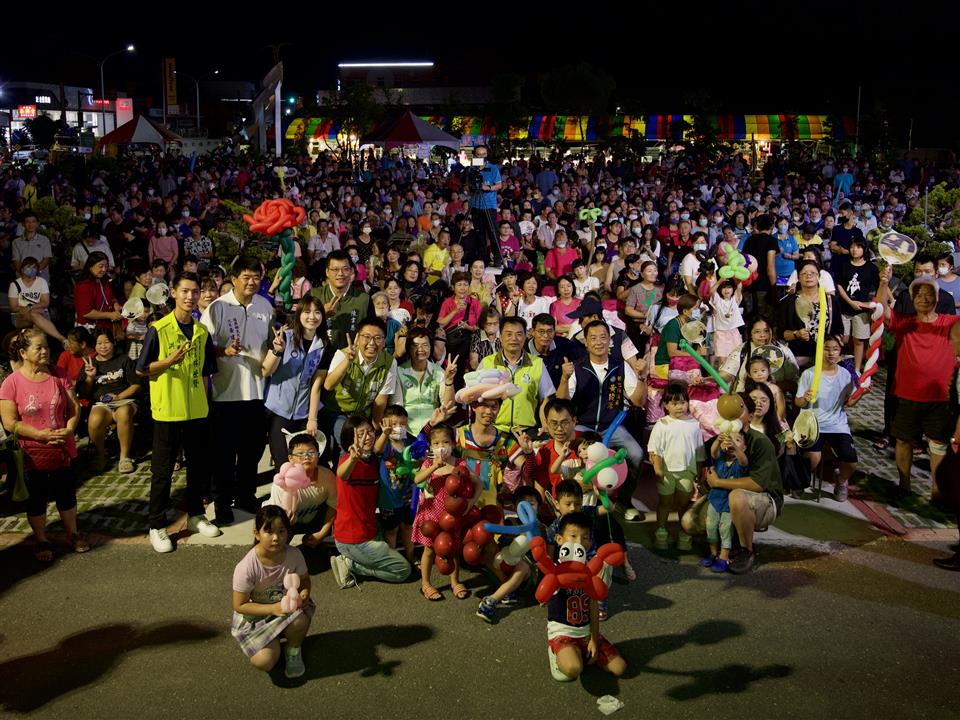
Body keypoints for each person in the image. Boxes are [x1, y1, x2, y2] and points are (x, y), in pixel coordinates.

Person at [137, 272, 221, 552]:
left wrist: (206, 406)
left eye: (195, 292)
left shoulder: (201, 332)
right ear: (173, 293)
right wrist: (168, 361)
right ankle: (157, 526)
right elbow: (141, 369)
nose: (190, 297)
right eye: (185, 291)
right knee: (162, 473)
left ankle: (196, 516)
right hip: (168, 411)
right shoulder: (159, 329)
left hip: (197, 411)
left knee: (198, 467)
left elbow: (207, 373)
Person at [0, 328, 87, 561]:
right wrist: (40, 435)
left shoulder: (59, 374)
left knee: (66, 493)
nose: (45, 351)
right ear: (23, 352)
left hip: (62, 447)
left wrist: (69, 430)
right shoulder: (11, 383)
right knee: (37, 497)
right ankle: (41, 539)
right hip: (32, 452)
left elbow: (74, 407)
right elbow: (10, 422)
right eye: (38, 347)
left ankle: (73, 533)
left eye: (46, 346)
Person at [877, 267, 960, 497]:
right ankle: (904, 485)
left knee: (938, 445)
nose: (924, 299)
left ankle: (937, 492)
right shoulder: (903, 322)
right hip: (905, 395)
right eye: (919, 295)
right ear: (912, 299)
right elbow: (881, 309)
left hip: (940, 399)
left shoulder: (949, 323)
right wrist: (883, 283)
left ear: (937, 298)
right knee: (903, 441)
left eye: (929, 294)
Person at [683, 397, 784, 574]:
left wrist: (718, 482)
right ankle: (726, 541)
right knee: (689, 522)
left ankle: (747, 550)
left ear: (750, 416)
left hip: (765, 500)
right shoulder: (722, 438)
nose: (732, 413)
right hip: (722, 496)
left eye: (739, 409)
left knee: (736, 497)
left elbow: (757, 484)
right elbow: (710, 459)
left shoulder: (760, 442)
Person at [231, 505, 314, 678]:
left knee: (300, 619)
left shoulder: (294, 554)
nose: (276, 538)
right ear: (257, 534)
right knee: (265, 661)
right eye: (269, 532)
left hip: (285, 608)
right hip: (256, 616)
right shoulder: (246, 567)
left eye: (281, 531)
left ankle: (293, 649)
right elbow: (240, 605)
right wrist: (272, 609)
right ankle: (274, 640)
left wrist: (304, 592)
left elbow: (304, 579)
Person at [330, 415, 411, 588]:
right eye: (361, 434)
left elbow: (379, 451)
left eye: (370, 431)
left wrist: (385, 433)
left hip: (371, 530)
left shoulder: (373, 459)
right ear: (350, 439)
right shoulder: (347, 461)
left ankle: (359, 559)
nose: (367, 436)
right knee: (402, 570)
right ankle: (351, 564)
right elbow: (342, 474)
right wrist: (353, 458)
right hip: (352, 539)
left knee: (395, 532)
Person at [545, 511, 627, 682]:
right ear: (559, 539)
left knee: (620, 668)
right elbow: (543, 594)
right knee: (573, 669)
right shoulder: (555, 570)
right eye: (573, 536)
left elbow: (593, 606)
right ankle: (556, 652)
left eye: (585, 538)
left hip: (585, 631)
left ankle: (581, 651)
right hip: (562, 632)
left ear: (590, 542)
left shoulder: (590, 570)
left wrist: (594, 639)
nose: (579, 542)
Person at [557, 321, 646, 475]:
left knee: (636, 455)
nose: (599, 342)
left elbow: (638, 401)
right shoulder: (576, 367)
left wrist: (641, 378)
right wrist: (564, 378)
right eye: (593, 338)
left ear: (610, 341)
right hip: (582, 426)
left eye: (603, 337)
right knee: (567, 457)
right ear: (586, 342)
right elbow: (562, 402)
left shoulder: (621, 366)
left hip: (612, 427)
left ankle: (623, 489)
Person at [412, 423, 483, 601]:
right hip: (432, 516)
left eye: (445, 442)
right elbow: (417, 479)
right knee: (429, 550)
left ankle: (455, 581)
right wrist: (434, 467)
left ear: (453, 444)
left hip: (453, 517)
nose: (441, 447)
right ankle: (426, 584)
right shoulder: (428, 462)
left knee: (454, 548)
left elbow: (479, 483)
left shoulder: (460, 464)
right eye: (436, 443)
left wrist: (470, 504)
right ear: (430, 447)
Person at [262, 296, 330, 469]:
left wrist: (312, 419)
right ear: (299, 314)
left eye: (317, 312)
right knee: (284, 466)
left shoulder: (323, 345)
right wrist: (277, 351)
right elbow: (266, 371)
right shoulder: (285, 337)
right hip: (278, 410)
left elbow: (316, 385)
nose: (312, 317)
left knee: (307, 465)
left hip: (304, 412)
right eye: (307, 312)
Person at [795, 335, 858, 502]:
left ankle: (841, 481)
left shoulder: (846, 375)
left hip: (837, 424)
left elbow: (849, 402)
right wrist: (805, 399)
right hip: (813, 423)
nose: (830, 353)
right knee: (814, 458)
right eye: (826, 349)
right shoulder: (809, 374)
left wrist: (862, 393)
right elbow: (798, 402)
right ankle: (801, 480)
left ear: (840, 353)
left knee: (851, 461)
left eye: (835, 349)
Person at [316, 317, 398, 440]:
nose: (372, 343)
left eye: (377, 338)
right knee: (351, 441)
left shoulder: (389, 362)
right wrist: (348, 361)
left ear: (384, 341)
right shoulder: (343, 354)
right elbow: (328, 385)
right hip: (337, 411)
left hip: (362, 415)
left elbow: (380, 401)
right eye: (367, 337)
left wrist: (376, 429)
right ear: (358, 338)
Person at [647, 382, 706, 551]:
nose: (679, 406)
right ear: (666, 405)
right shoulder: (662, 424)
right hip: (666, 472)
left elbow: (699, 451)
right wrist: (658, 470)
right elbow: (654, 450)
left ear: (688, 403)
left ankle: (683, 532)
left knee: (683, 504)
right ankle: (661, 531)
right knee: (665, 503)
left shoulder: (694, 425)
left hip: (687, 472)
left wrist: (699, 470)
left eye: (682, 402)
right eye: (674, 403)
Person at [479, 316, 556, 433]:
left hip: (527, 431)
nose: (514, 339)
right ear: (500, 337)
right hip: (494, 430)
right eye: (509, 334)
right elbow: (475, 396)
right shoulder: (487, 363)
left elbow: (546, 398)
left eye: (519, 334)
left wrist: (545, 424)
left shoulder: (537, 363)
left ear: (525, 337)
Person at [79, 331, 141, 473]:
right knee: (95, 419)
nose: (103, 346)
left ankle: (124, 457)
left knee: (124, 413)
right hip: (102, 404)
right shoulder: (90, 363)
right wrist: (90, 378)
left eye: (106, 342)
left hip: (124, 400)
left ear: (113, 343)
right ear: (94, 345)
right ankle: (101, 455)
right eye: (99, 343)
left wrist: (118, 397)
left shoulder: (124, 359)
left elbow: (136, 385)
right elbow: (83, 393)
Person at [391, 327, 456, 435]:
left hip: (433, 429)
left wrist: (449, 380)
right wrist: (400, 435)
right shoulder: (399, 371)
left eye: (425, 345)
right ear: (408, 348)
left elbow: (448, 407)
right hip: (406, 430)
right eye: (415, 345)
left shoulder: (439, 372)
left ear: (431, 348)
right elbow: (396, 408)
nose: (420, 349)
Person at [779, 260, 844, 369]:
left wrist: (833, 347)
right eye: (804, 273)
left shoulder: (831, 301)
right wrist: (796, 334)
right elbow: (781, 333)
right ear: (798, 277)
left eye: (812, 273)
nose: (808, 276)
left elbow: (838, 329)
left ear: (818, 276)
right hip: (799, 355)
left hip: (826, 356)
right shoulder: (788, 302)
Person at [702, 429, 749, 573]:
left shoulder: (740, 462)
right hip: (715, 500)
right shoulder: (720, 458)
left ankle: (724, 557)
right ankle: (713, 553)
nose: (732, 442)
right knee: (710, 527)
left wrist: (735, 449)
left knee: (725, 528)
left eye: (737, 440)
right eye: (729, 439)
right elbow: (713, 451)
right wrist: (718, 440)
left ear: (744, 448)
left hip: (729, 503)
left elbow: (744, 461)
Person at [834, 238, 879, 373]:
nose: (855, 250)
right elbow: (839, 285)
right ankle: (838, 366)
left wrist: (869, 304)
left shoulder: (871, 268)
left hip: (862, 311)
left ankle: (857, 369)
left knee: (859, 340)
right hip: (844, 308)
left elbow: (880, 286)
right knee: (843, 338)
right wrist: (850, 302)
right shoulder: (844, 265)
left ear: (864, 249)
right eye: (852, 247)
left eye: (858, 247)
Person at [310, 249, 371, 351]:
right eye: (335, 269)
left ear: (351, 271)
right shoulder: (314, 295)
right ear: (327, 272)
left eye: (345, 269)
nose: (340, 274)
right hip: (318, 357)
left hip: (352, 357)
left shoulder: (364, 299)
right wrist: (322, 314)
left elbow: (372, 331)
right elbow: (299, 326)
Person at [719, 317, 799, 393]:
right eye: (757, 331)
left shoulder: (784, 352)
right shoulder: (742, 350)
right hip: (745, 399)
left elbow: (794, 383)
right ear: (750, 334)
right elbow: (726, 375)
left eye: (766, 331)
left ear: (772, 331)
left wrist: (771, 388)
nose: (762, 335)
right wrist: (714, 380)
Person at [8, 256, 67, 345]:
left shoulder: (42, 282)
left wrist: (30, 307)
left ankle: (38, 349)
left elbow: (45, 302)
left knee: (36, 323)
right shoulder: (14, 284)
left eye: (34, 267)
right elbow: (13, 307)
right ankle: (62, 339)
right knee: (34, 315)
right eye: (28, 266)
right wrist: (33, 309)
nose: (31, 269)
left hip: (41, 314)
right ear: (22, 268)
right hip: (20, 316)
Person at [467, 144, 503, 265]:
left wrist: (488, 187)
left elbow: (499, 185)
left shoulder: (493, 168)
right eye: (478, 155)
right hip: (476, 204)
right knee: (479, 234)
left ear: (487, 155)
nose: (481, 157)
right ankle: (483, 259)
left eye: (483, 154)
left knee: (493, 232)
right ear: (474, 155)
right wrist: (471, 187)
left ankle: (498, 258)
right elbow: (467, 186)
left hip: (489, 205)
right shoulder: (471, 169)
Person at [74, 252, 123, 331]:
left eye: (106, 266)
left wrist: (115, 304)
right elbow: (87, 313)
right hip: (90, 327)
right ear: (90, 266)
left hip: (105, 325)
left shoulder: (104, 279)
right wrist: (109, 315)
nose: (104, 269)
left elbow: (111, 297)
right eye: (100, 266)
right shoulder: (84, 285)